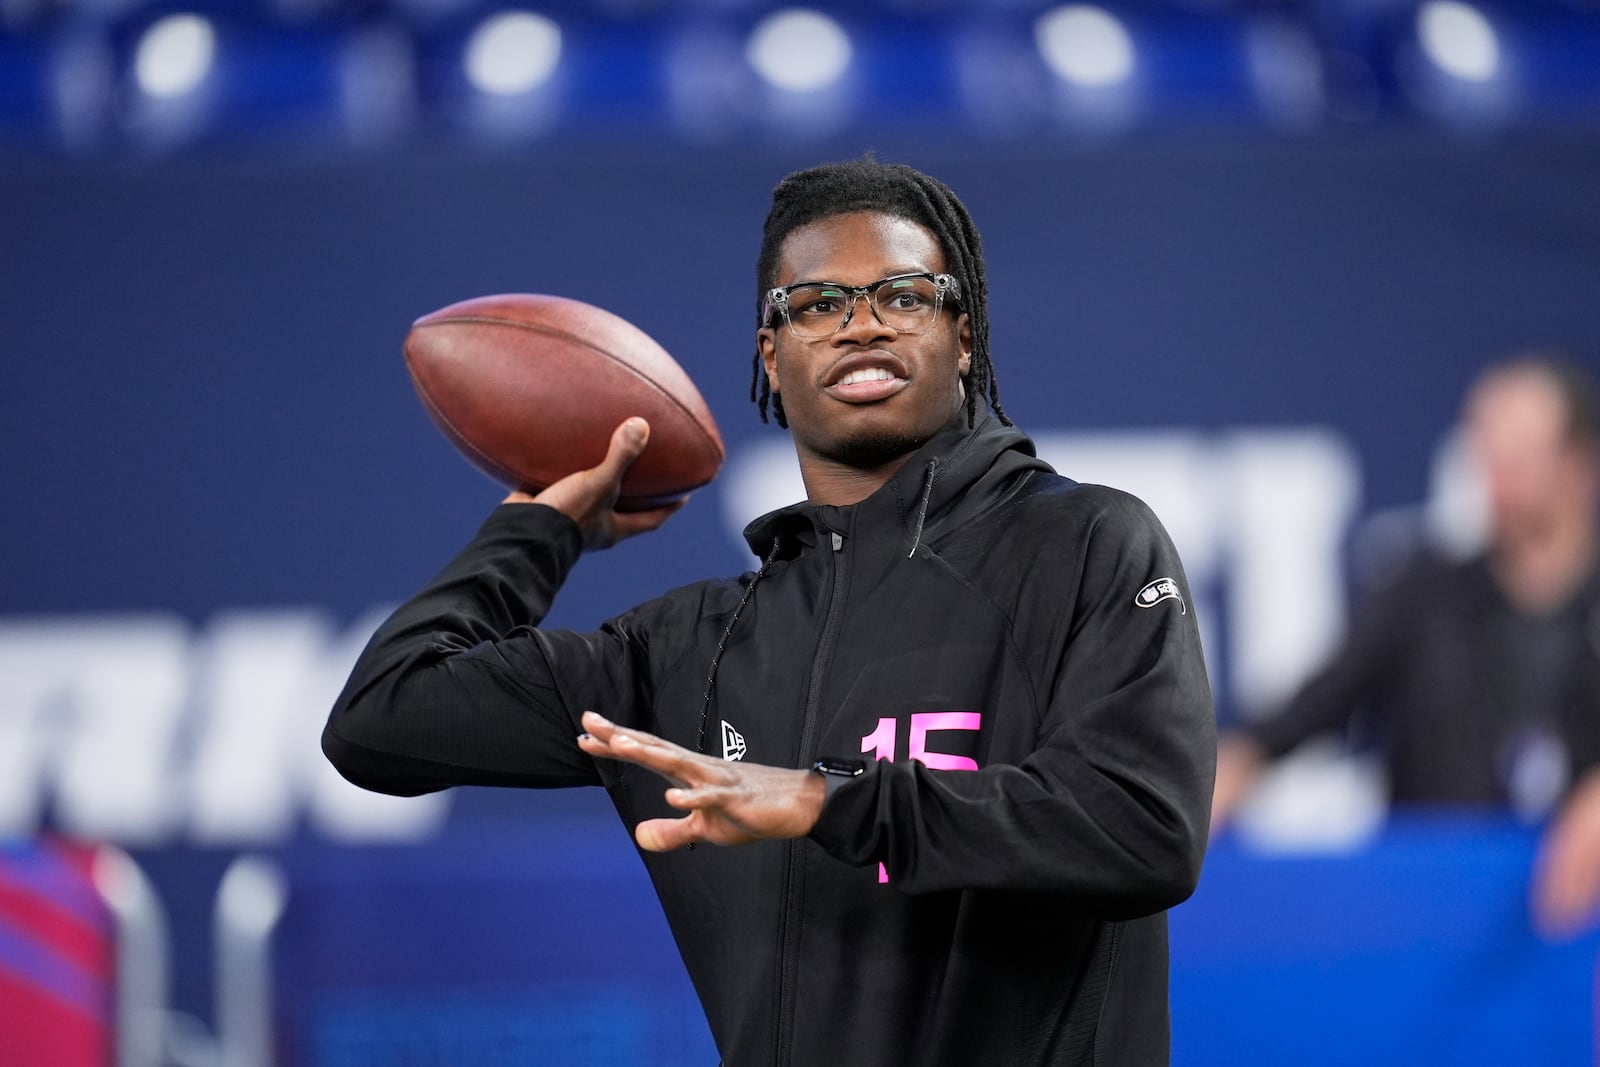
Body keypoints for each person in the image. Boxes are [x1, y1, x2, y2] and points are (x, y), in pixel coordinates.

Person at [324, 159, 1215, 1066]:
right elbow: (382, 717)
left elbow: (1147, 828)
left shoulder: (1085, 543)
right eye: (818, 303)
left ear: (964, 334)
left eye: (904, 295)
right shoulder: (694, 651)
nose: (861, 324)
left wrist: (821, 799)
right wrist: (542, 529)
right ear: (771, 357)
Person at [1211, 353, 1600, 939]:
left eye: (1522, 445)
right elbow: (1313, 704)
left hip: (1576, 925)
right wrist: (1232, 769)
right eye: (1485, 441)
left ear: (1580, 464)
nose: (1498, 465)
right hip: (1437, 915)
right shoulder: (1423, 592)